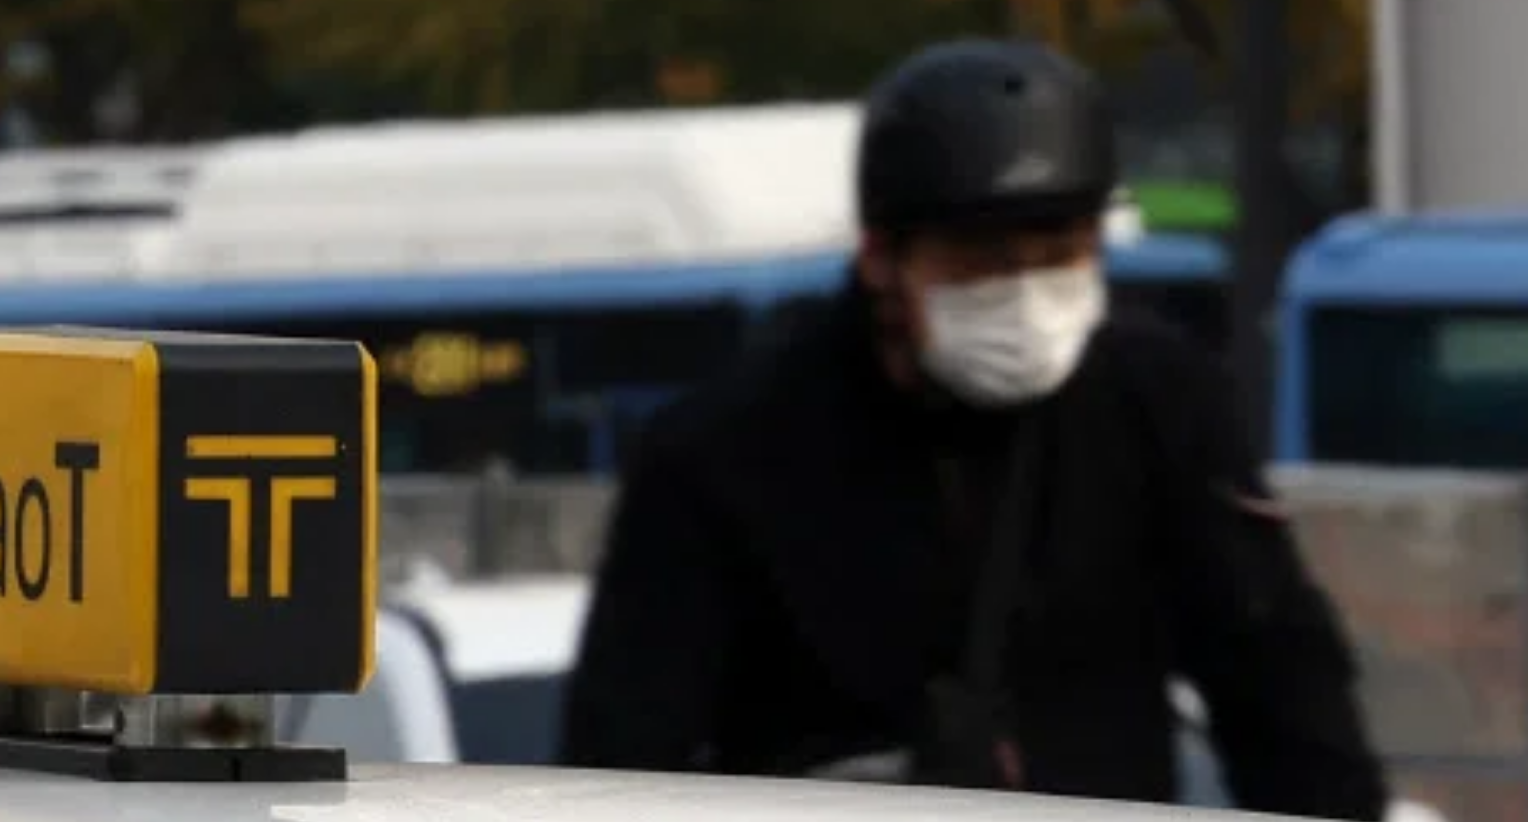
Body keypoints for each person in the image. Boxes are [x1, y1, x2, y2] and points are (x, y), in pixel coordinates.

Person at [558, 38, 1389, 821]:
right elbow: (623, 753)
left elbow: (1281, 683)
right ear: (881, 258)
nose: (1024, 293)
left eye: (1058, 253)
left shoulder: (1156, 403)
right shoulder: (729, 451)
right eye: (980, 260)